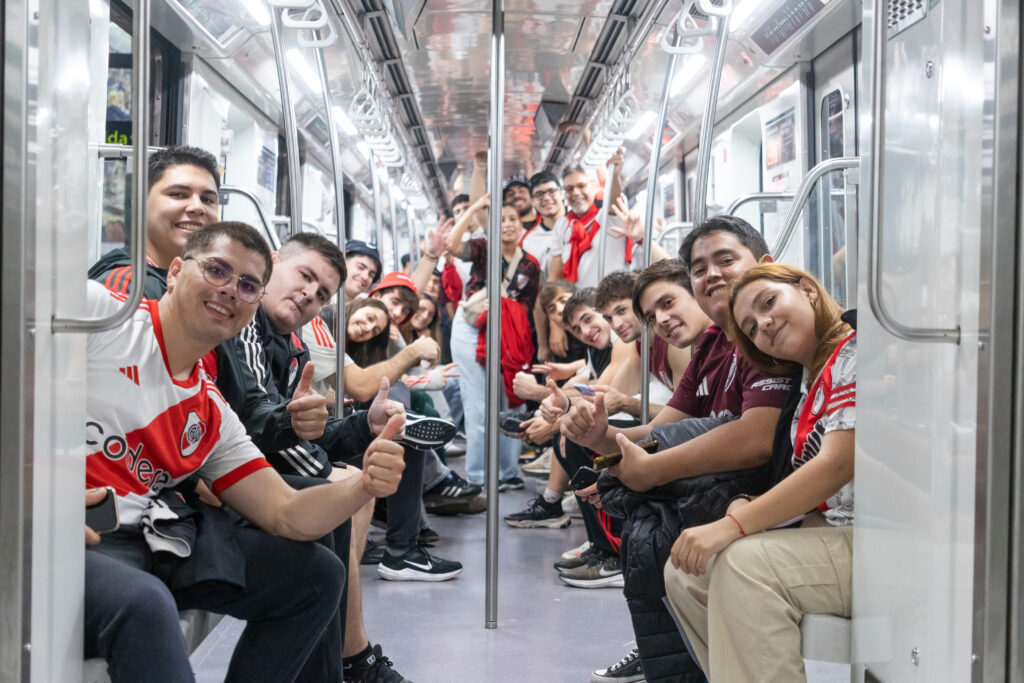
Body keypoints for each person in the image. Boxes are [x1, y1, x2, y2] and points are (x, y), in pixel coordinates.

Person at [83, 223, 406, 683]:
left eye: (247, 285)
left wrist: (364, 485)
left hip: (155, 534)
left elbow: (286, 510)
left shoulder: (209, 408)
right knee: (144, 603)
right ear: (175, 271)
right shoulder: (104, 318)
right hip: (83, 535)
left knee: (316, 577)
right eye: (217, 270)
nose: (230, 291)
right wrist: (34, 493)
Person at [560, 215, 795, 681]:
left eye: (724, 261)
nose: (661, 321)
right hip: (728, 484)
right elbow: (662, 429)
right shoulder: (713, 344)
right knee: (646, 525)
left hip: (766, 490)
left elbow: (756, 437)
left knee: (653, 530)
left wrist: (649, 473)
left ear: (764, 265)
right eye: (700, 269)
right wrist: (599, 444)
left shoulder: (768, 332)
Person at [664, 263, 856, 683]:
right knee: (686, 572)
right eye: (750, 329)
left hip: (879, 538)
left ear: (806, 289)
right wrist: (753, 510)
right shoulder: (810, 380)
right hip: (828, 529)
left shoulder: (854, 352)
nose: (763, 325)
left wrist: (736, 524)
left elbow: (839, 463)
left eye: (768, 303)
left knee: (744, 565)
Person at [446, 196, 541, 488]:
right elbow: (451, 246)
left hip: (508, 333)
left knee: (510, 402)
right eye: (501, 219)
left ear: (521, 223)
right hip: (473, 329)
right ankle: (478, 476)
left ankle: (508, 472)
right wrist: (474, 210)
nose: (508, 224)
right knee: (477, 407)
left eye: (513, 218)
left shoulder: (530, 264)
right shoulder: (483, 249)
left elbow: (528, 309)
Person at [89, 145, 220, 298]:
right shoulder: (128, 289)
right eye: (178, 194)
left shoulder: (214, 286)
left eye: (207, 200)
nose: (198, 207)